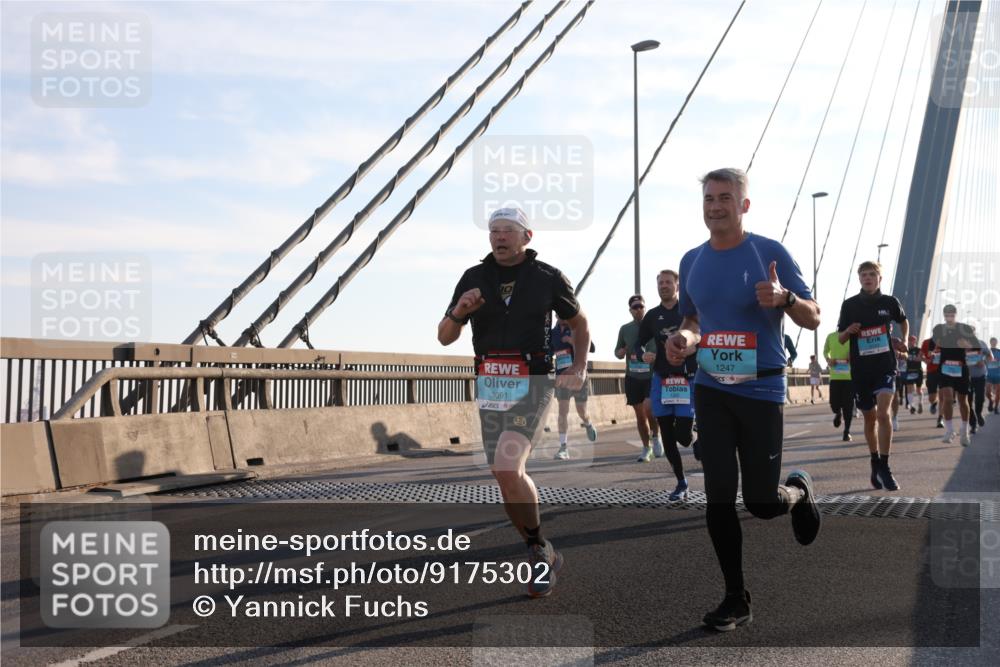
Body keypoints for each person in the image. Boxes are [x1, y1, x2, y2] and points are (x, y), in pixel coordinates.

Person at [667, 168, 821, 632]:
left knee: (759, 502)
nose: (716, 206)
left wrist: (784, 297)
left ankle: (796, 492)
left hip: (761, 389)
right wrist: (685, 338)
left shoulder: (768, 251)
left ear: (744, 205)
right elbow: (694, 318)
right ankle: (735, 597)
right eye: (709, 199)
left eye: (725, 198)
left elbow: (813, 317)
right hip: (711, 389)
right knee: (717, 497)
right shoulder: (692, 259)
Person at [438, 206, 589, 598]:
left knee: (509, 464)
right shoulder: (474, 278)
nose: (499, 237)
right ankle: (537, 547)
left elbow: (579, 323)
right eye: (494, 231)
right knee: (502, 475)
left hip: (534, 381)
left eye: (507, 231)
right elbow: (444, 336)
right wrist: (459, 312)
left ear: (527, 237)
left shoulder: (547, 278)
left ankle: (537, 549)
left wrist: (579, 365)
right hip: (491, 384)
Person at [837, 260, 908, 491]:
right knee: (869, 418)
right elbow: (840, 338)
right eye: (864, 275)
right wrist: (849, 331)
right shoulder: (849, 305)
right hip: (861, 370)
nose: (868, 278)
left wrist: (904, 340)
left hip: (885, 366)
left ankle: (885, 467)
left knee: (884, 414)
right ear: (859, 279)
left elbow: (903, 320)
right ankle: (874, 460)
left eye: (872, 274)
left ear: (879, 278)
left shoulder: (890, 302)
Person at [636, 270, 697, 498]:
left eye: (668, 282)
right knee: (668, 437)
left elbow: (702, 338)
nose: (664, 286)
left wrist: (692, 348)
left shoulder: (689, 314)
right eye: (660, 282)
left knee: (683, 436)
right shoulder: (652, 316)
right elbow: (638, 345)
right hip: (661, 380)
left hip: (686, 379)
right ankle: (681, 483)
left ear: (677, 286)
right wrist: (644, 355)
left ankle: (695, 435)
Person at [615, 295, 663, 462]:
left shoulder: (654, 326)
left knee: (650, 410)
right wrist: (621, 352)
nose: (638, 309)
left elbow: (663, 347)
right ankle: (646, 448)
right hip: (633, 377)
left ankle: (656, 436)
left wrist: (655, 356)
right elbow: (617, 352)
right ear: (630, 310)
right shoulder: (625, 329)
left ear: (644, 307)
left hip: (650, 376)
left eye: (641, 306)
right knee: (640, 415)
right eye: (635, 307)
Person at [551, 318, 598, 460]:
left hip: (578, 375)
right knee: (562, 411)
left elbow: (592, 348)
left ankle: (588, 423)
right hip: (562, 377)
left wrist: (573, 341)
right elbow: (548, 352)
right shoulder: (552, 333)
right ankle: (563, 447)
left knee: (581, 410)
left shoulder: (576, 327)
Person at [931, 305, 975, 446]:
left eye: (952, 313)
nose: (949, 315)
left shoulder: (965, 328)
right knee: (948, 398)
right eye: (947, 313)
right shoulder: (938, 328)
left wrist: (966, 344)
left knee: (963, 401)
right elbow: (937, 343)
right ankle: (949, 430)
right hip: (945, 368)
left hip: (961, 368)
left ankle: (965, 430)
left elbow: (973, 346)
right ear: (944, 315)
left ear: (955, 314)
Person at [823, 330, 854, 441]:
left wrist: (853, 355)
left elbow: (859, 350)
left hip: (849, 378)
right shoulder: (831, 336)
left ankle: (847, 432)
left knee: (848, 407)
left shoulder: (852, 336)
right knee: (834, 404)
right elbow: (825, 351)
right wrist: (829, 360)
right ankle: (837, 413)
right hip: (835, 377)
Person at [964, 329, 992, 435]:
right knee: (968, 402)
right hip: (967, 378)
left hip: (980, 376)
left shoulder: (981, 344)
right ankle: (973, 424)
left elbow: (990, 357)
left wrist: (983, 360)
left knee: (980, 398)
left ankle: (979, 413)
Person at [921, 335, 943, 427]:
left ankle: (940, 419)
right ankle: (934, 403)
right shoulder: (926, 342)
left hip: (943, 371)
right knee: (931, 397)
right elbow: (920, 355)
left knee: (943, 396)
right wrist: (925, 360)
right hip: (931, 371)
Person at [903, 335, 924, 414]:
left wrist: (920, 358)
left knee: (919, 390)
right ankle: (912, 406)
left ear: (915, 341)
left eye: (912, 340)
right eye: (909, 340)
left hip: (918, 371)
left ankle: (920, 403)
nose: (911, 342)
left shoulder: (919, 350)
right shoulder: (906, 350)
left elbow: (924, 357)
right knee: (909, 389)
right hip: (910, 371)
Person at [988, 337, 1000, 414]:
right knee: (987, 392)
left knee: (998, 392)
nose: (993, 343)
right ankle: (991, 400)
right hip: (988, 374)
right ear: (990, 342)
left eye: (995, 342)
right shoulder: (987, 352)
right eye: (992, 341)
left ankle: (996, 407)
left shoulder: (999, 351)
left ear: (997, 343)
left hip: (998, 374)